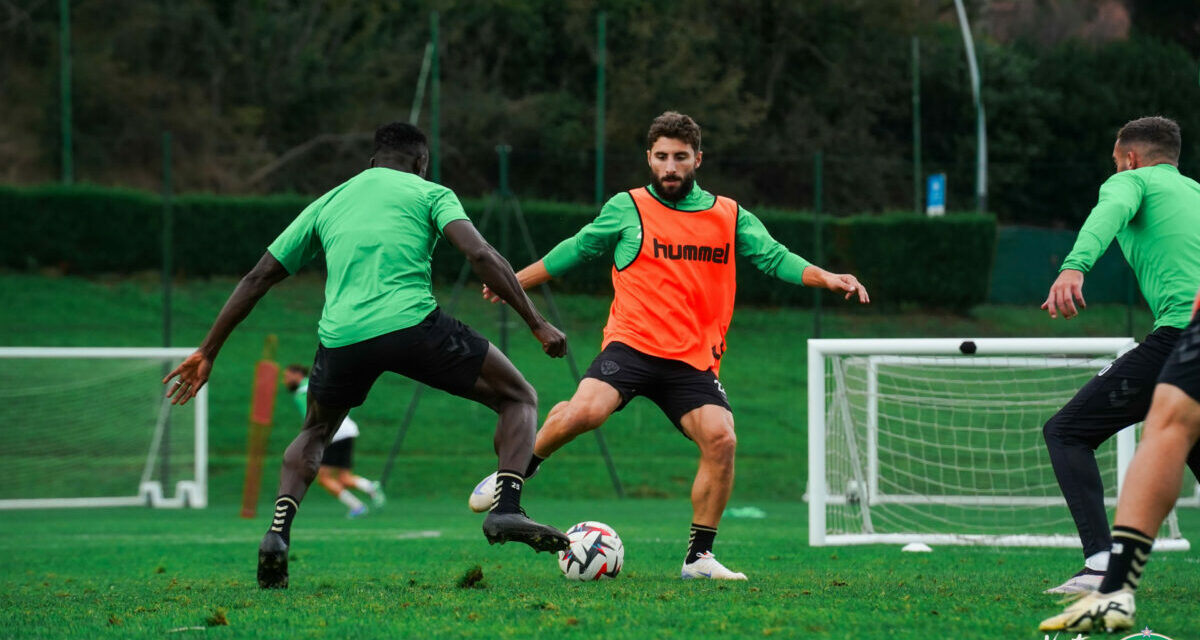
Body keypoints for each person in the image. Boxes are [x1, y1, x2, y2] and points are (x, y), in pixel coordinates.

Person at [163, 122, 571, 590]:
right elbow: (479, 254)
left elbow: (257, 278)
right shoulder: (431, 192)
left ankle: (277, 534)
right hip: (412, 326)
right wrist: (536, 321)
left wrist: (207, 351)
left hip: (341, 340)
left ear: (373, 160)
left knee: (315, 430)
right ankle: (506, 509)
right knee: (518, 396)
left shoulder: (328, 201)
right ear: (421, 163)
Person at [467, 111, 870, 580]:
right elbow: (575, 249)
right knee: (585, 413)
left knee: (722, 440)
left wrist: (826, 277)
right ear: (649, 159)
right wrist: (514, 282)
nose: (671, 166)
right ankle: (516, 471)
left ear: (698, 159)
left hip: (692, 361)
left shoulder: (728, 214)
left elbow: (773, 254)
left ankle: (699, 558)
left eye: (680, 157)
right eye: (661, 157)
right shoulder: (629, 206)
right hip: (632, 345)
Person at [1040, 115, 1200, 594]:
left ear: (1129, 159)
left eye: (1115, 164)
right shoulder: (1193, 191)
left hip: (1183, 335)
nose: (1115, 174)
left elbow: (1106, 215)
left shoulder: (1131, 181)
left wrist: (1073, 267)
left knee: (1066, 431)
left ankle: (1099, 567)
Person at [1039, 286, 1200, 633]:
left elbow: (1102, 227)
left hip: (1179, 333)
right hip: (1185, 329)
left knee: (1166, 430)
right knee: (1178, 430)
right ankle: (1110, 579)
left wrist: (1074, 266)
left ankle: (1105, 572)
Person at [282, 364, 383, 518]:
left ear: (297, 375)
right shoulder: (317, 383)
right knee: (344, 477)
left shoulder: (303, 392)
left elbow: (312, 420)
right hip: (347, 429)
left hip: (333, 433)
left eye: (287, 376)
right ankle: (370, 487)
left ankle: (357, 506)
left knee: (324, 478)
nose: (285, 381)